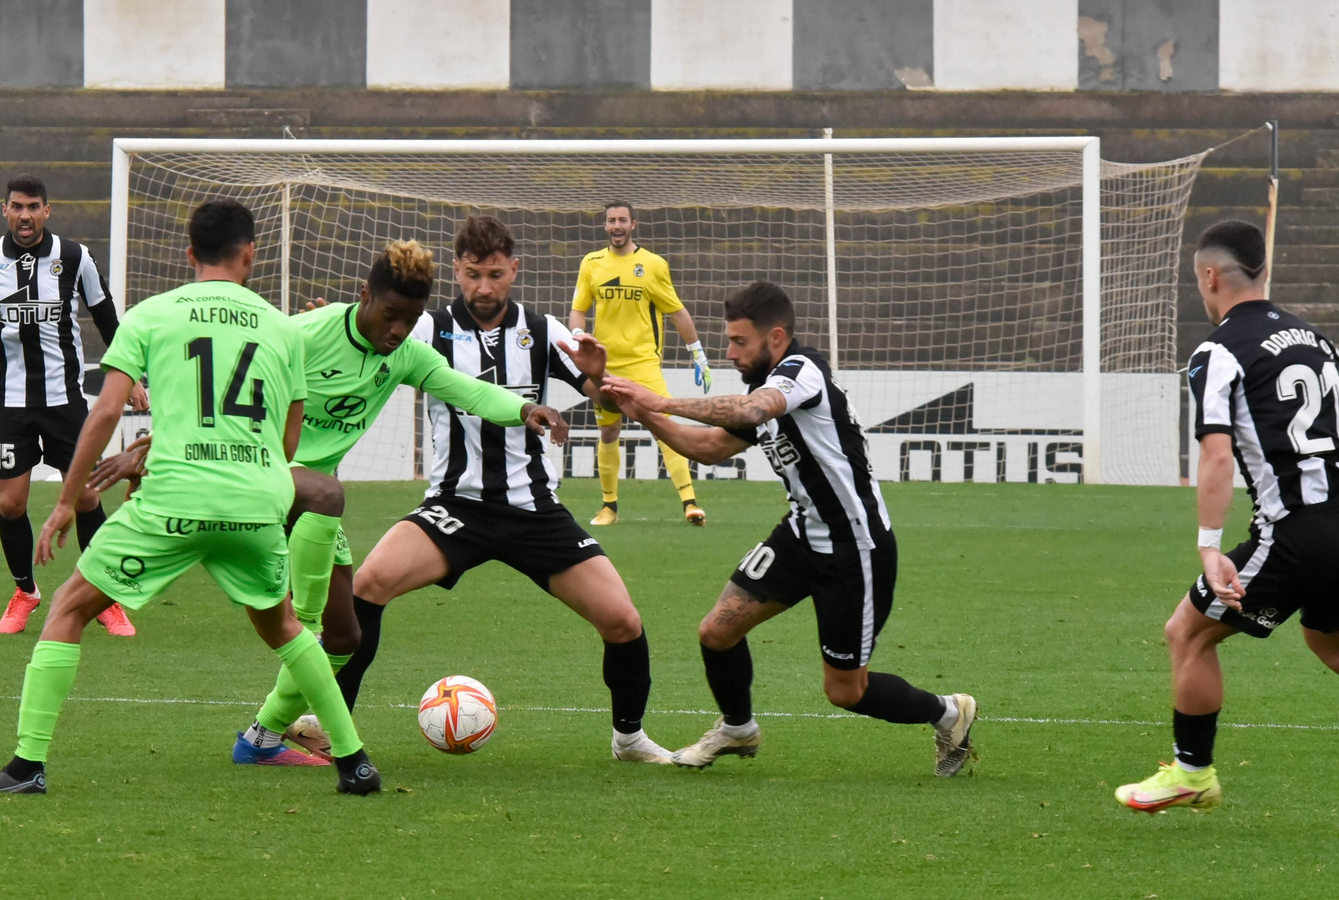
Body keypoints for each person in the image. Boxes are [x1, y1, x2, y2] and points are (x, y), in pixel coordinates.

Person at [92, 239, 568, 765]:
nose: (397, 331)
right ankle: (303, 622)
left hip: (311, 499)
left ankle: (262, 738)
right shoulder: (302, 334)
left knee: (347, 637)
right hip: (257, 479)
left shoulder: (405, 354)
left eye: (409, 321)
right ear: (364, 295)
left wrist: (524, 408)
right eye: (390, 316)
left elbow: (467, 390)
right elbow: (224, 389)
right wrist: (158, 444)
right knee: (324, 510)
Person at [0, 199, 379, 795]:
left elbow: (107, 410)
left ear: (190, 255)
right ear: (250, 255)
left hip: (175, 501)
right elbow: (288, 441)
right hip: (256, 503)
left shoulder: (152, 315)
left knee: (68, 609)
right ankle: (355, 762)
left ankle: (27, 767)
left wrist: (66, 501)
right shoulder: (284, 330)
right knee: (286, 626)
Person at [314, 214, 676, 763]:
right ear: (458, 270)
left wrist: (599, 379)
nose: (484, 288)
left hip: (535, 511)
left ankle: (629, 738)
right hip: (455, 506)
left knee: (622, 619)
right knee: (368, 584)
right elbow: (364, 349)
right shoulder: (424, 329)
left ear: (515, 270)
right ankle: (328, 723)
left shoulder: (545, 330)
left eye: (496, 275)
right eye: (473, 275)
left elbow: (606, 406)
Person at [597, 280, 977, 775]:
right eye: (729, 341)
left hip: (854, 548)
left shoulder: (801, 371)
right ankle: (737, 727)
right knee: (717, 632)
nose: (730, 352)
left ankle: (949, 713)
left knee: (845, 690)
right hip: (801, 536)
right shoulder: (764, 384)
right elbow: (710, 447)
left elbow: (753, 409)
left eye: (739, 342)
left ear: (775, 338)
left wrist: (661, 400)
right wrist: (643, 412)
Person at [1115, 220, 1339, 813]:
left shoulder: (1216, 351)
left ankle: (1192, 773)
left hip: (1295, 529)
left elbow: (1216, 457)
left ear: (1210, 276)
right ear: (1262, 272)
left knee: (1186, 634)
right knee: (1326, 639)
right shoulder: (1317, 340)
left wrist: (1210, 546)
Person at [0, 174, 148, 637]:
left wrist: (131, 378)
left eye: (34, 207)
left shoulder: (74, 256)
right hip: (10, 401)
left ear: (48, 211)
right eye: (17, 207)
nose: (25, 215)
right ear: (4, 210)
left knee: (85, 496)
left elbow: (106, 317)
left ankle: (103, 596)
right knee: (10, 504)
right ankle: (25, 591)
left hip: (65, 400)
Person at [568, 200, 709, 527]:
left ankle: (690, 502)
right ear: (605, 226)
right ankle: (609, 508)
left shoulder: (653, 264)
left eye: (622, 220)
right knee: (608, 431)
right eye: (611, 220)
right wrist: (577, 332)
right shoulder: (591, 263)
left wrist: (697, 352)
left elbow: (676, 311)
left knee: (666, 428)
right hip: (606, 365)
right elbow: (579, 308)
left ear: (634, 224)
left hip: (645, 363)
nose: (616, 226)